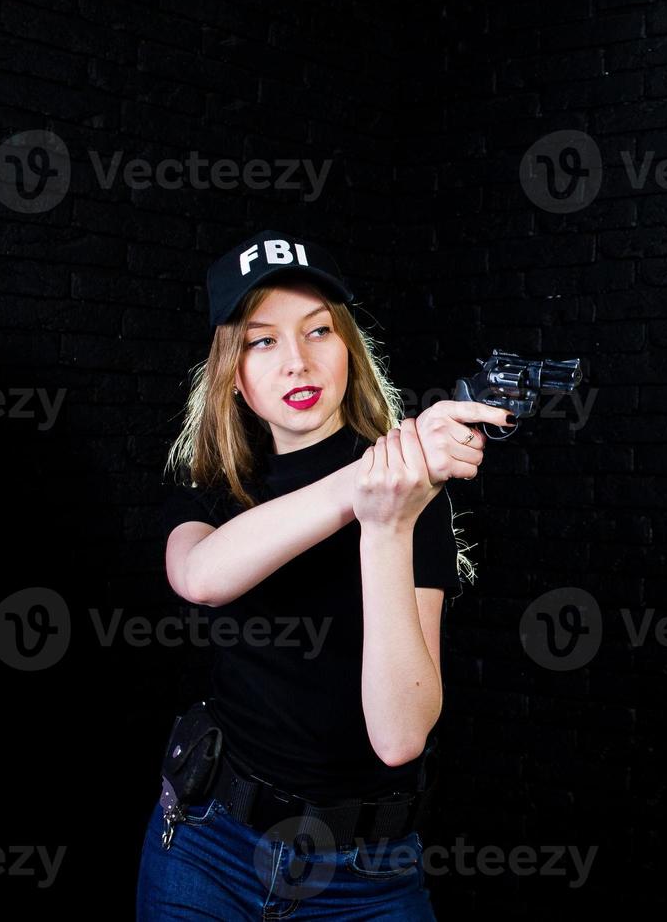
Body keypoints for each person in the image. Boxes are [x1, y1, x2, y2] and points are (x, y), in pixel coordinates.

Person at [135, 230, 512, 920]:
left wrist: (388, 522)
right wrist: (370, 479)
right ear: (234, 373)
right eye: (262, 341)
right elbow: (200, 577)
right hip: (205, 849)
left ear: (348, 351)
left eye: (318, 331)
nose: (297, 363)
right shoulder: (214, 491)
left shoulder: (411, 496)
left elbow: (399, 736)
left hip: (361, 878)